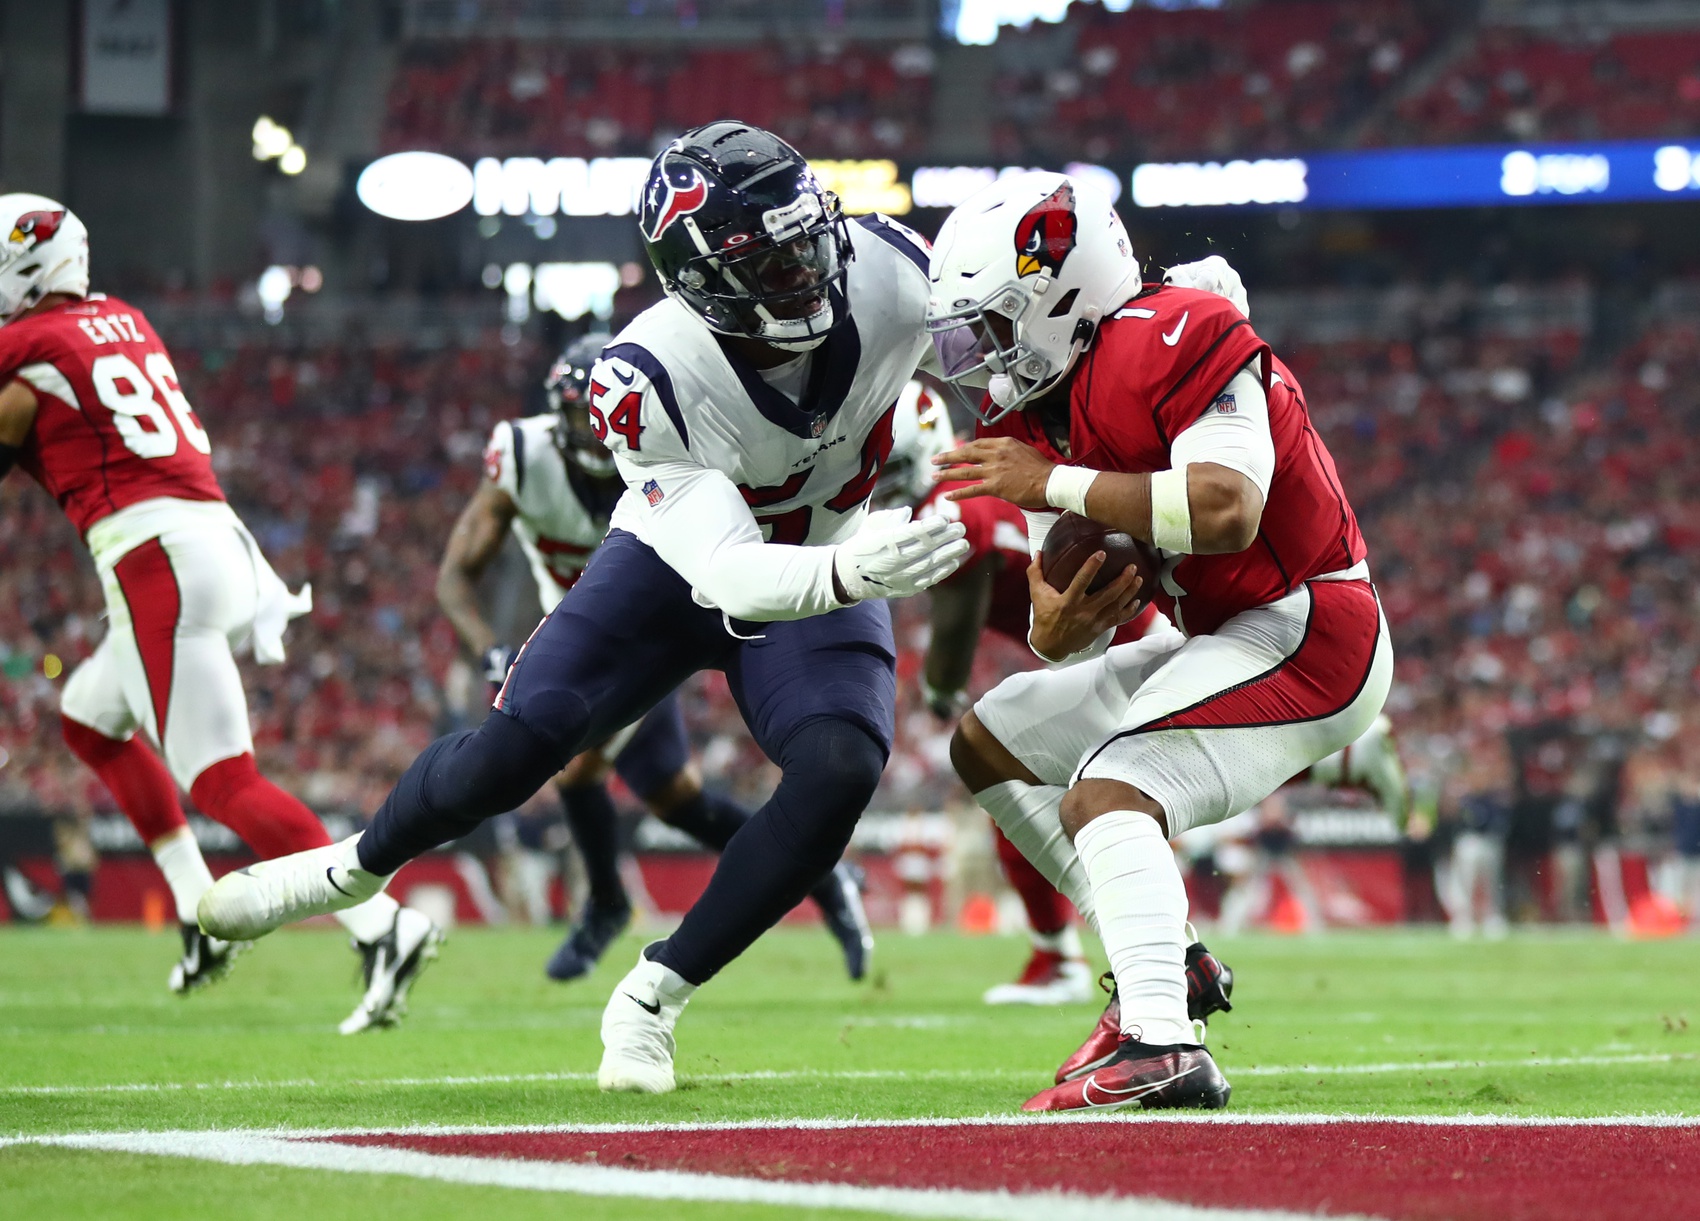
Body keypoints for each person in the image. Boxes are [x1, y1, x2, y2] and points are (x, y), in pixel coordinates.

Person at [198, 122, 969, 1094]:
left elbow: (997, 378)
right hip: (683, 570)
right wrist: (860, 572)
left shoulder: (890, 270)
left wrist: (978, 472)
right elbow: (730, 577)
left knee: (839, 767)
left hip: (822, 547)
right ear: (698, 281)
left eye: (807, 243)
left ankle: (652, 995)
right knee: (516, 753)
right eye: (769, 263)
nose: (806, 275)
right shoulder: (647, 375)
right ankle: (352, 866)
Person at [929, 173, 1392, 1111]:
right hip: (1220, 630)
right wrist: (1050, 629)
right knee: (990, 738)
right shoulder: (1042, 409)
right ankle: (1165, 969)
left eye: (994, 324)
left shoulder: (1176, 329)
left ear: (1059, 294)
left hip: (1311, 623)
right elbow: (1061, 632)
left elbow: (1224, 509)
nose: (982, 357)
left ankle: (1159, 1043)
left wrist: (1052, 483)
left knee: (1110, 789)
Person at [0, 193, 440, 1032]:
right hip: (212, 541)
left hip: (155, 556)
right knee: (89, 720)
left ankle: (383, 925)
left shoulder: (24, 345)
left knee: (224, 781)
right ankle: (197, 909)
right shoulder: (121, 319)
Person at [439, 333, 873, 981]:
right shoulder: (522, 458)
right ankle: (821, 871)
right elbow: (454, 575)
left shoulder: (667, 448)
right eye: (581, 422)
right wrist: (487, 650)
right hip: (594, 642)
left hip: (669, 624)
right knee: (675, 799)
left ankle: (607, 905)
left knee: (579, 766)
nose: (596, 440)